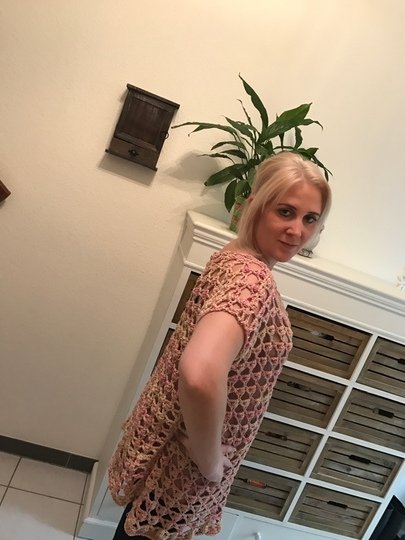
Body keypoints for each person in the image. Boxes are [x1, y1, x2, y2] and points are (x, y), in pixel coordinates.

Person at [108, 151, 332, 540]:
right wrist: (209, 460)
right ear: (257, 206)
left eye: (310, 218)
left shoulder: (233, 256)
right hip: (182, 469)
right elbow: (199, 373)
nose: (297, 230)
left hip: (166, 449)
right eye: (285, 212)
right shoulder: (252, 282)